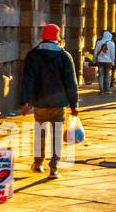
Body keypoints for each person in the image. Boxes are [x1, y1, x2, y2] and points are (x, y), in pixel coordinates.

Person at [19, 23, 79, 179]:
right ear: (57, 38)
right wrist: (74, 105)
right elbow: (71, 83)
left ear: (42, 37)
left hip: (40, 103)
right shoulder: (64, 56)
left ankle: (38, 164)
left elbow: (27, 80)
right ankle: (54, 168)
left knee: (40, 134)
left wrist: (25, 101)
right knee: (56, 136)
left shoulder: (33, 55)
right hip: (59, 104)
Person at [93, 30, 116, 95]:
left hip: (100, 61)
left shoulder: (98, 42)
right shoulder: (112, 43)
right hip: (108, 62)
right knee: (108, 76)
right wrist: (113, 62)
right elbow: (112, 54)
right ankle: (107, 90)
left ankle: (101, 90)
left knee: (101, 76)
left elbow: (95, 52)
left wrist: (94, 60)